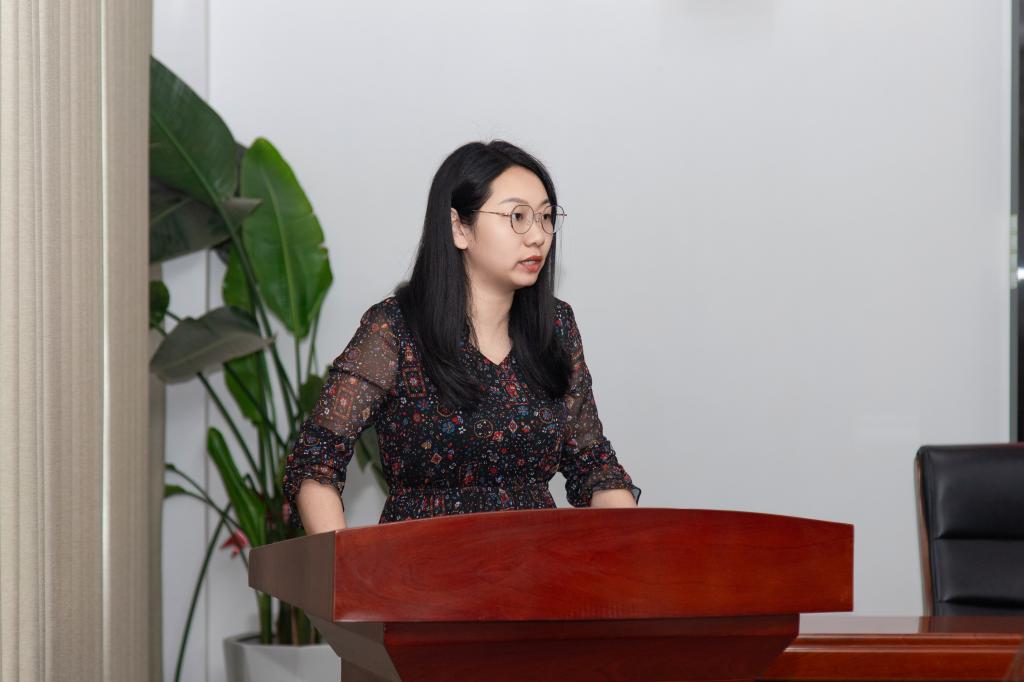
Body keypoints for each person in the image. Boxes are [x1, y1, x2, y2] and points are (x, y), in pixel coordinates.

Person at [283, 140, 641, 534]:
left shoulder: (556, 326)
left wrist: (637, 546)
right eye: (517, 216)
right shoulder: (395, 329)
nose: (537, 236)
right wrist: (349, 566)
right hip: (424, 564)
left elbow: (594, 466)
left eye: (545, 217)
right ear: (458, 228)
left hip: (537, 563)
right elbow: (315, 462)